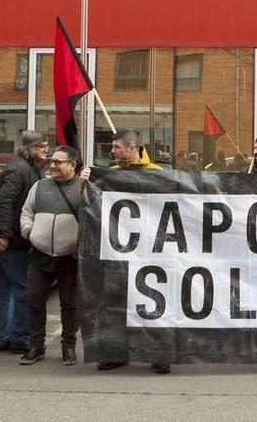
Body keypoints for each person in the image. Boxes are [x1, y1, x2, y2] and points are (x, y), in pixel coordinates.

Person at [81, 130, 169, 374]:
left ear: (131, 148)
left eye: (116, 147)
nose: (112, 151)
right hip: (119, 252)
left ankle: (159, 354)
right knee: (115, 304)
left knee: (154, 304)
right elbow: (90, 208)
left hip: (152, 252)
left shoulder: (158, 175)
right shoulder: (111, 175)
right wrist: (85, 184)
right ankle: (116, 353)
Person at [0, 131, 48, 353]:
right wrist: (3, 235)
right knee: (21, 289)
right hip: (12, 241)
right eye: (41, 147)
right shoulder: (18, 169)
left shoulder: (26, 168)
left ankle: (1, 338)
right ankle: (18, 338)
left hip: (12, 239)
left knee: (5, 289)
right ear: (28, 148)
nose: (45, 151)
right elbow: (4, 202)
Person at [18, 145, 82, 366]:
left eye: (58, 162)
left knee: (70, 304)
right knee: (35, 301)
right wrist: (29, 232)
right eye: (52, 161)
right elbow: (26, 212)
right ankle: (36, 347)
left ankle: (69, 347)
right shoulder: (39, 186)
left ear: (72, 165)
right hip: (40, 255)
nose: (52, 165)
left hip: (70, 257)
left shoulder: (84, 188)